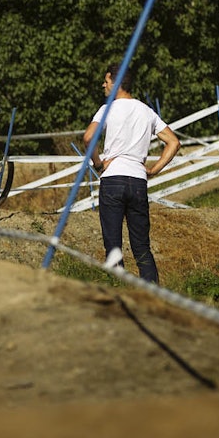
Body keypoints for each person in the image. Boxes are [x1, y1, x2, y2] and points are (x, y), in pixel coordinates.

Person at [83, 66, 180, 284]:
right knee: (142, 246)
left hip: (113, 180)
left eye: (106, 81)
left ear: (116, 84)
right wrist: (154, 170)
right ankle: (152, 295)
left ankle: (120, 294)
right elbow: (173, 142)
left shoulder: (107, 109)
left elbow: (89, 137)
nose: (103, 85)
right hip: (138, 181)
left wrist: (99, 165)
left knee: (113, 246)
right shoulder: (146, 111)